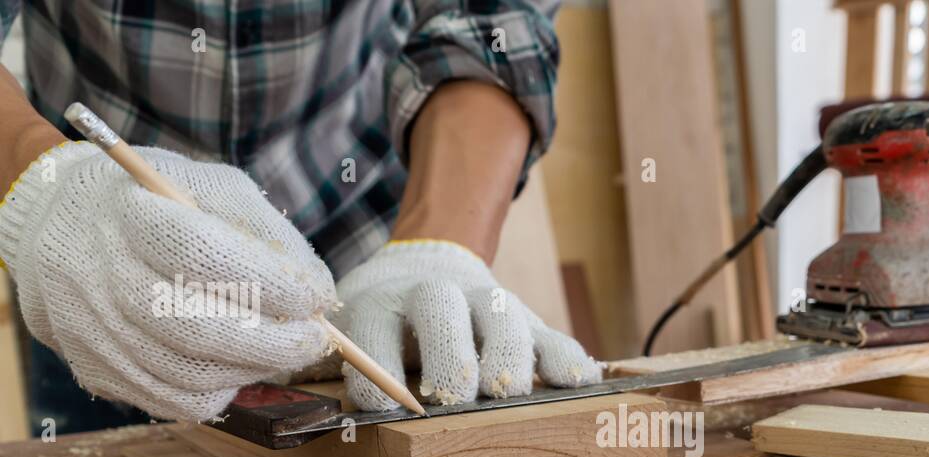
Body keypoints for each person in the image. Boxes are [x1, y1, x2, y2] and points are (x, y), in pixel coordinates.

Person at [0, 0, 601, 434]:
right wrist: (40, 186)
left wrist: (440, 245)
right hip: (101, 260)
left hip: (361, 235)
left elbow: (492, 20)